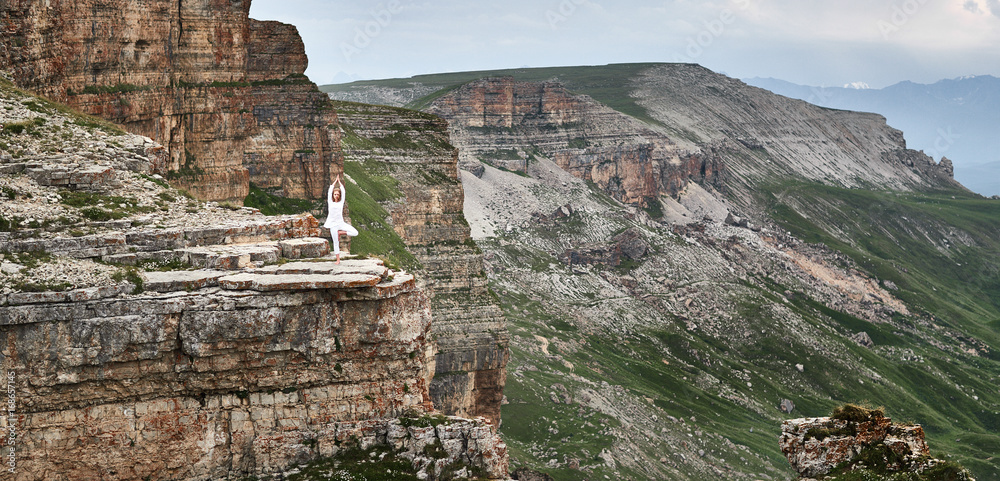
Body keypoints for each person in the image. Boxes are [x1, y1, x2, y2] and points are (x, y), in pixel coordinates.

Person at [323, 174, 358, 264]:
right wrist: (335, 182)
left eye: (338, 194)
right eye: (335, 194)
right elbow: (329, 191)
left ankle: (342, 232)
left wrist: (340, 182)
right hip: (332, 224)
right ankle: (338, 259)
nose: (336, 195)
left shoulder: (341, 202)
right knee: (336, 242)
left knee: (355, 232)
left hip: (340, 223)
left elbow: (343, 191)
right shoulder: (330, 202)